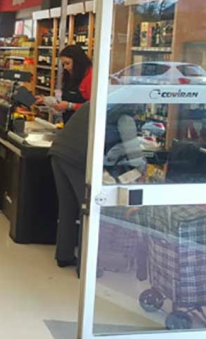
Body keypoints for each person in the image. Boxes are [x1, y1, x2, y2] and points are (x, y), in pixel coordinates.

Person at [50, 103, 145, 268]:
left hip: (59, 152)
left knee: (67, 207)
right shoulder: (124, 118)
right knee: (88, 211)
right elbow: (133, 151)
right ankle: (85, 266)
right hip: (79, 160)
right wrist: (142, 167)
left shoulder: (94, 102)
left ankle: (64, 256)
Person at [37, 45, 92, 123]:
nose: (65, 67)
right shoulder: (70, 75)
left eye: (67, 63)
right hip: (70, 122)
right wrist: (46, 100)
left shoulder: (90, 77)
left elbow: (92, 107)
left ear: (78, 61)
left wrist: (70, 106)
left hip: (83, 124)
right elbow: (63, 99)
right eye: (63, 64)